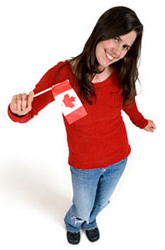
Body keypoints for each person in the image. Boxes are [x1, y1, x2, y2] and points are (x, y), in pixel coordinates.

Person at [8, 6, 156, 245]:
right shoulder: (62, 75)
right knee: (82, 206)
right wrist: (18, 110)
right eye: (116, 38)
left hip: (118, 159)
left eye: (126, 46)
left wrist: (141, 122)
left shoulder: (121, 74)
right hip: (84, 167)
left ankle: (90, 221)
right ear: (101, 30)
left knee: (102, 203)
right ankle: (74, 222)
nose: (117, 51)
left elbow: (129, 106)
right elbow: (30, 108)